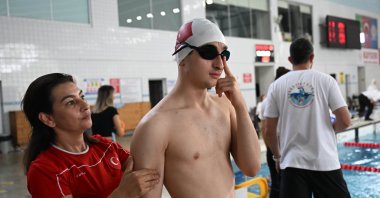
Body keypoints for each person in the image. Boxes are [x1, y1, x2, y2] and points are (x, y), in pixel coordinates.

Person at [131, 18, 261, 197]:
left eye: (224, 54)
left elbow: (252, 167)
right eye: (208, 52)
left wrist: (240, 106)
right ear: (183, 58)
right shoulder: (155, 126)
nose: (220, 64)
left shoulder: (226, 106)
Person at [22, 73, 160, 198]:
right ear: (48, 119)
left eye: (82, 97)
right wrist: (123, 194)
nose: (85, 105)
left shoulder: (105, 146)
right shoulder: (45, 171)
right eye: (71, 102)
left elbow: (139, 165)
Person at [263, 38, 351, 198]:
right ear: (312, 57)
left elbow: (268, 131)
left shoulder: (276, 85)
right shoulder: (327, 81)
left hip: (291, 164)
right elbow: (345, 121)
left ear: (290, 59)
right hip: (325, 162)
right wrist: (330, 130)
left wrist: (277, 156)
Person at [259, 66, 290, 198]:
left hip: (273, 147)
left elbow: (264, 129)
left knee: (277, 184)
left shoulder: (267, 100)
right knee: (285, 184)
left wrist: (270, 149)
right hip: (282, 146)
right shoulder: (283, 99)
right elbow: (266, 130)